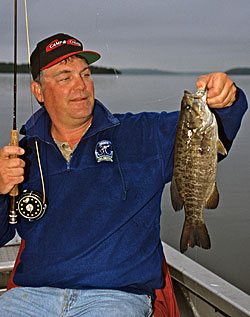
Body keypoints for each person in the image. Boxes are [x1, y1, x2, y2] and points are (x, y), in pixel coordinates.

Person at [0, 33, 247, 316]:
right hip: (31, 296)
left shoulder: (142, 135)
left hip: (114, 297)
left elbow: (208, 138)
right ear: (38, 91)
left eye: (85, 73)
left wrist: (228, 98)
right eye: (65, 77)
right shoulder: (21, 155)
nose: (80, 85)